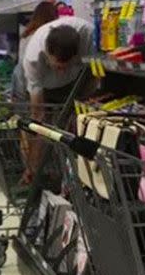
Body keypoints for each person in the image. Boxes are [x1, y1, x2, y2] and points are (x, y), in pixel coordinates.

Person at [21, 16, 94, 183]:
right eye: (58, 67)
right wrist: (32, 165)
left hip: (74, 83)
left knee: (70, 129)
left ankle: (68, 178)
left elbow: (94, 74)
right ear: (48, 52)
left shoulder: (88, 35)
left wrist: (86, 100)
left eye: (66, 66)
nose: (61, 72)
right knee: (36, 126)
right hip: (41, 86)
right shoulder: (34, 58)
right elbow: (36, 115)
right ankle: (33, 174)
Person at [13, 1, 59, 102]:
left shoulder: (26, 34)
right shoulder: (45, 37)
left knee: (29, 113)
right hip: (38, 84)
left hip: (22, 80)